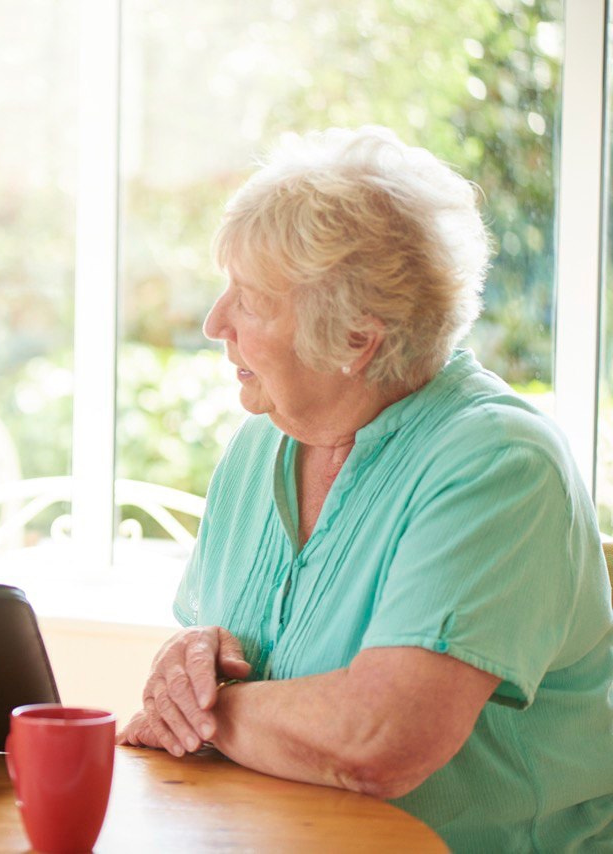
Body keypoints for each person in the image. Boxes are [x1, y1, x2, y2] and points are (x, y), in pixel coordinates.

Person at [118, 126, 613, 851]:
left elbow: (380, 741)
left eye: (251, 301)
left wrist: (213, 711)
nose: (213, 322)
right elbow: (247, 650)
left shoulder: (498, 463)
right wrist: (188, 659)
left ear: (356, 339)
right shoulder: (262, 445)